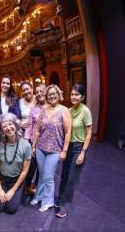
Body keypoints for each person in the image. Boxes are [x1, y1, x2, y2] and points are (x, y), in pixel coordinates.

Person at [31, 84, 71, 212]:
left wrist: (64, 150)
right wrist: (33, 145)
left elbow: (68, 131)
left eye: (54, 93)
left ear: (58, 95)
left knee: (48, 177)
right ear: (47, 96)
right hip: (40, 147)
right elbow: (37, 130)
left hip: (55, 149)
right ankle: (39, 195)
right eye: (49, 94)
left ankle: (48, 202)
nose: (52, 96)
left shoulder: (64, 110)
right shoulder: (43, 109)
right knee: (42, 175)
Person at [56, 84, 92, 218]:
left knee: (72, 178)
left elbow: (88, 134)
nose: (73, 97)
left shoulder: (85, 111)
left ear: (82, 97)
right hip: (68, 146)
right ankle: (59, 200)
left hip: (78, 147)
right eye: (72, 94)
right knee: (64, 175)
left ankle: (65, 206)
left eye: (76, 94)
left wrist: (83, 152)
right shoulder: (69, 111)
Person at [0, 113, 31, 214]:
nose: (8, 128)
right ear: (1, 130)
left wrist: (13, 190)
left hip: (16, 181)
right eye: (4, 126)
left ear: (16, 125)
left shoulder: (26, 145)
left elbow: (24, 171)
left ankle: (18, 191)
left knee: (11, 209)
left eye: (10, 124)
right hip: (2, 181)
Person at [23, 84, 47, 196]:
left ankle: (37, 186)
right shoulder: (33, 109)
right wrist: (27, 141)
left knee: (42, 168)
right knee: (31, 166)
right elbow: (29, 126)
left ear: (46, 91)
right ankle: (27, 185)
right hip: (34, 142)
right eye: (37, 92)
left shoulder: (52, 108)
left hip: (47, 144)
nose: (39, 93)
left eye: (41, 91)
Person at [0, 75, 21, 151]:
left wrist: (8, 127)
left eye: (7, 83)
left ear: (10, 86)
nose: (5, 85)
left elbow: (17, 115)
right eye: (3, 83)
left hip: (11, 131)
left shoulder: (15, 99)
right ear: (0, 84)